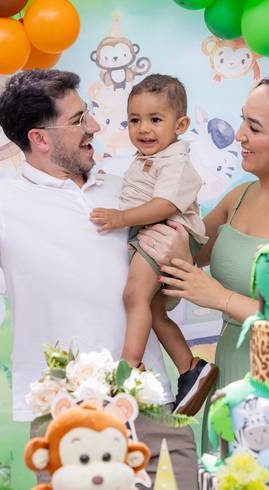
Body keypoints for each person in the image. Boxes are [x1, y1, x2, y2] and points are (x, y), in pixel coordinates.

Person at [0, 69, 199, 490]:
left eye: (87, 114)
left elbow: (163, 296)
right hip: (65, 416)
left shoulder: (131, 193)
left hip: (151, 403)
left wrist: (181, 256)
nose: (94, 126)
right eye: (78, 120)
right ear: (40, 139)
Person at [134, 71, 269, 450]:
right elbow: (177, 264)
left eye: (254, 127)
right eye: (243, 120)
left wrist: (220, 298)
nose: (239, 135)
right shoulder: (238, 199)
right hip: (230, 376)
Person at [88, 74, 218, 416]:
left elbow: (165, 204)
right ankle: (190, 367)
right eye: (135, 120)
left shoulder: (176, 162)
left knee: (134, 295)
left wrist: (121, 218)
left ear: (181, 125)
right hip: (151, 234)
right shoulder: (151, 157)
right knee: (154, 310)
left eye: (155, 120)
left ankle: (129, 367)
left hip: (163, 233)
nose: (143, 129)